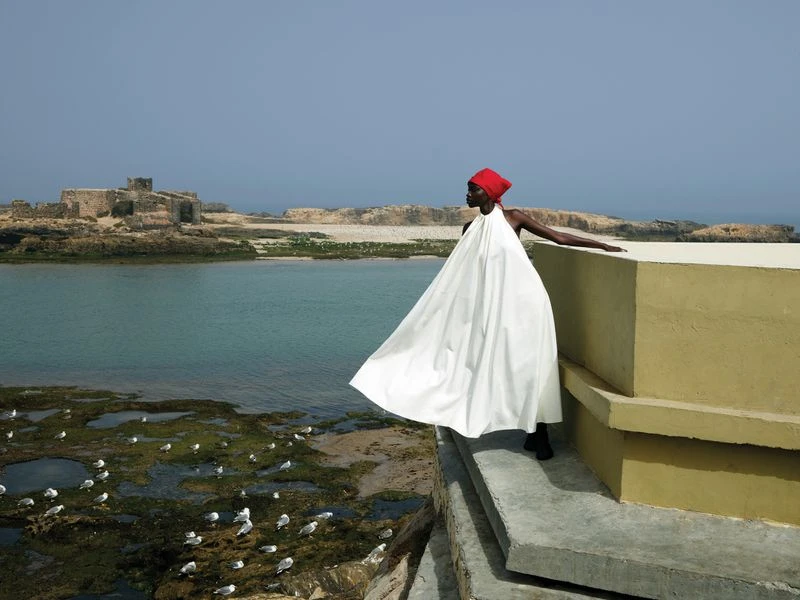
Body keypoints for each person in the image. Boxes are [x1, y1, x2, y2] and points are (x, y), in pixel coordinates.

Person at [350, 168, 624, 460]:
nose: (467, 194)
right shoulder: (470, 230)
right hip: (493, 308)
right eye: (468, 188)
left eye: (473, 188)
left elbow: (558, 237)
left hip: (526, 304)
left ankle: (538, 433)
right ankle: (531, 431)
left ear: (489, 192)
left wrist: (602, 245)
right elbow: (462, 276)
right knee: (503, 365)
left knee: (530, 364)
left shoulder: (513, 218)